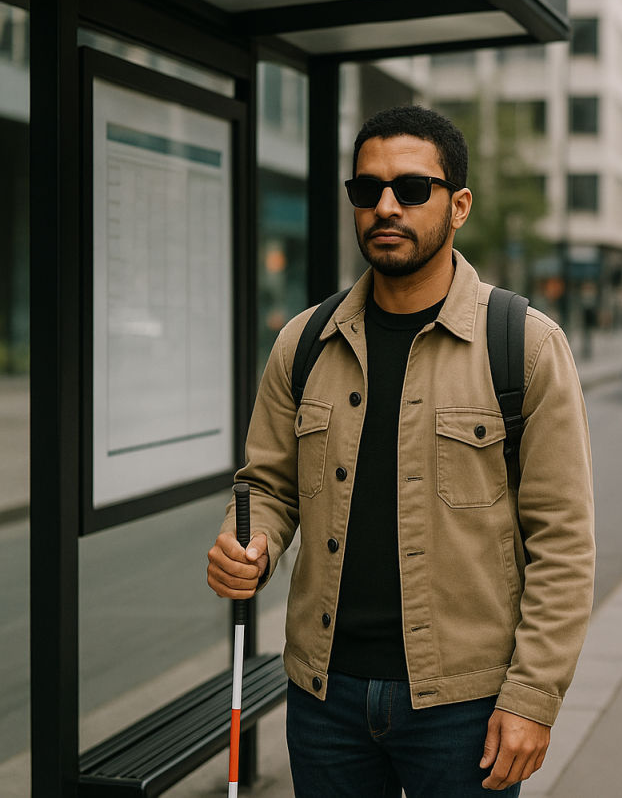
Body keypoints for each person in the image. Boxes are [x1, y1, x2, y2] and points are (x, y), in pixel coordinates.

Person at [207, 105, 595, 796]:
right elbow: (267, 486)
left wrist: (531, 697)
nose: (385, 206)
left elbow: (563, 541)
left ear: (458, 205)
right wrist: (253, 545)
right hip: (325, 699)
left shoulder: (524, 345)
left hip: (465, 706)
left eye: (411, 189)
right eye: (367, 190)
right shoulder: (304, 341)